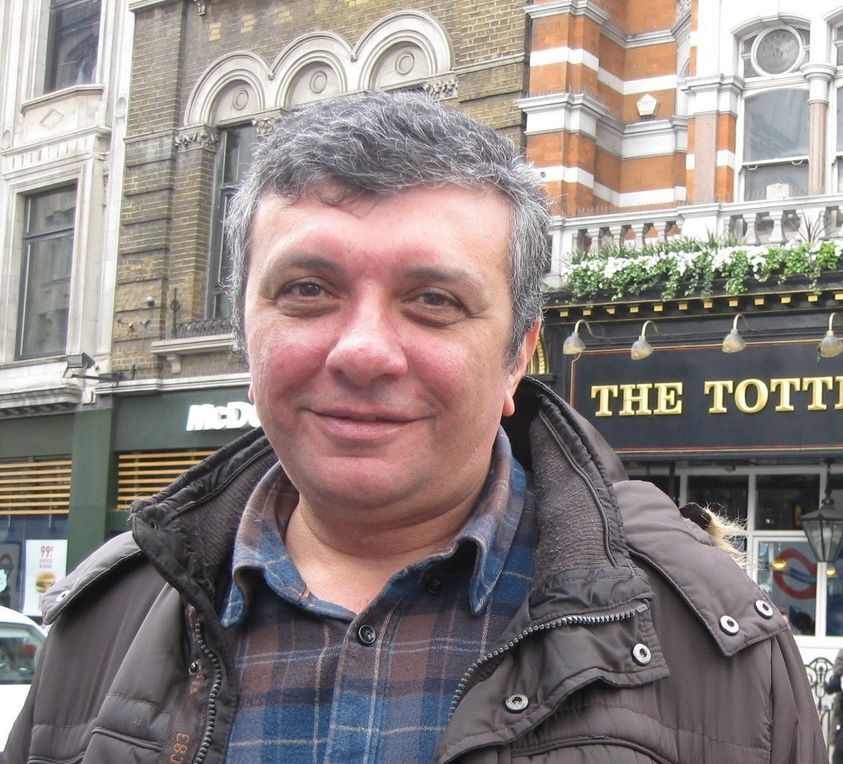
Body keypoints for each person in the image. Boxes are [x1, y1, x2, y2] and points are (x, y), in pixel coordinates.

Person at [6, 91, 825, 763]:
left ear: (516, 357)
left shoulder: (716, 641)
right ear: (242, 335)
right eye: (307, 290)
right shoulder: (104, 622)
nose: (363, 352)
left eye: (433, 300)